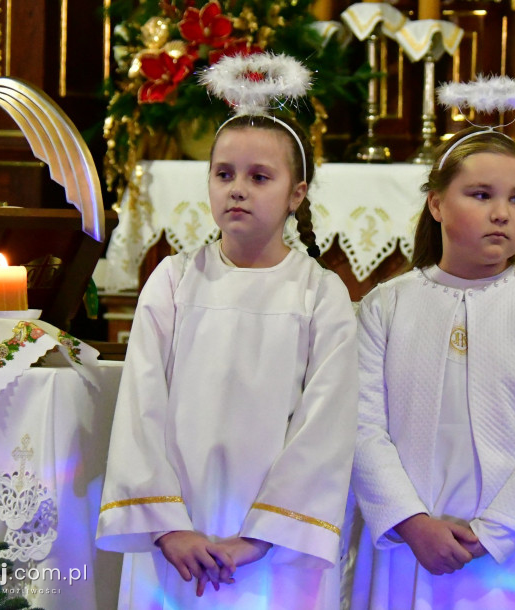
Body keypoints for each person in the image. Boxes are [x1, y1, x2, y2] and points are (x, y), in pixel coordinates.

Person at [96, 54, 358, 610]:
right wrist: (168, 528)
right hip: (178, 539)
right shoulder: (172, 282)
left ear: (297, 193)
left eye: (260, 177)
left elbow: (326, 426)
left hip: (275, 552)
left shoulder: (319, 294)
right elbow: (140, 406)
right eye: (225, 174)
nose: (238, 188)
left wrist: (260, 536)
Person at [348, 121, 515, 609]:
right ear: (437, 204)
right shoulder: (387, 307)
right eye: (481, 195)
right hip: (412, 546)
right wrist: (411, 522)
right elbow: (361, 425)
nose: (501, 213)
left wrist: (497, 532)